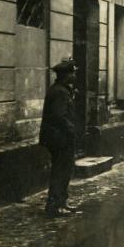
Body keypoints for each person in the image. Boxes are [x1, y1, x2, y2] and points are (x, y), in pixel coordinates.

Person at [39, 57, 78, 217]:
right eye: (73, 73)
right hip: (59, 139)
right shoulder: (59, 92)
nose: (74, 76)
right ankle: (54, 206)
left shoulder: (61, 90)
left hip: (59, 138)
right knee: (60, 171)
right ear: (66, 76)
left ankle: (61, 202)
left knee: (63, 170)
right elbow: (58, 116)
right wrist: (71, 130)